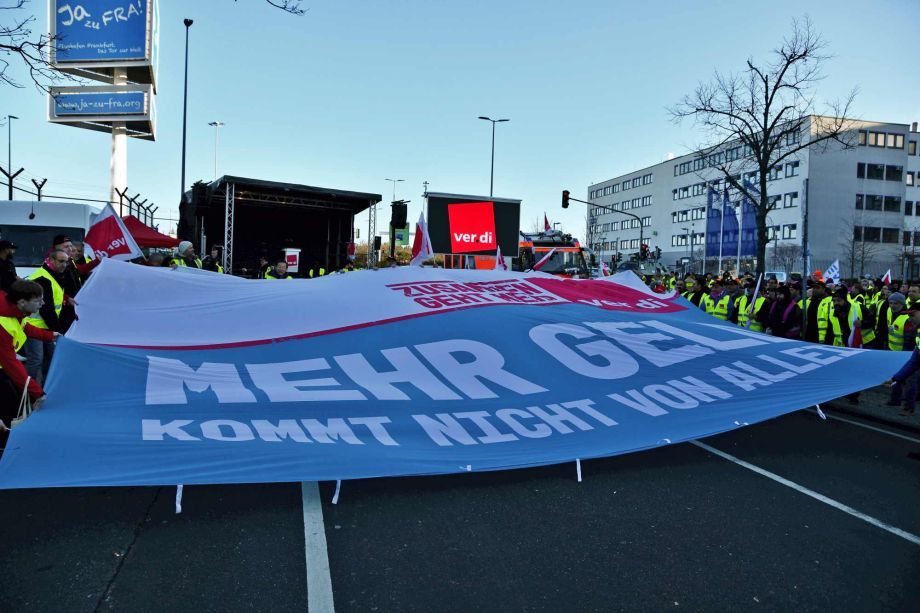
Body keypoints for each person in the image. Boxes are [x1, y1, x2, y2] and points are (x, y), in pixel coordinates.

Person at [0, 280, 59, 449]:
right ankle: (6, 450)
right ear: (22, 302)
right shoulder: (3, 324)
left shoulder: (14, 311)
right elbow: (11, 364)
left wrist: (50, 336)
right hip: (3, 370)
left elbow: (25, 327)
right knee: (9, 409)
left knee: (14, 406)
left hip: (4, 370)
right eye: (38, 300)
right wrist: (38, 392)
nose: (43, 303)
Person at [24, 248, 74, 384]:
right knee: (36, 360)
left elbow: (54, 296)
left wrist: (66, 297)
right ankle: (30, 391)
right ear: (51, 260)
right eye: (61, 261)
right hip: (34, 326)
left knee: (50, 358)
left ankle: (44, 388)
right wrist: (58, 330)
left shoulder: (53, 275)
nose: (64, 264)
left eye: (67, 262)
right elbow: (47, 310)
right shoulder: (43, 278)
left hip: (45, 326)